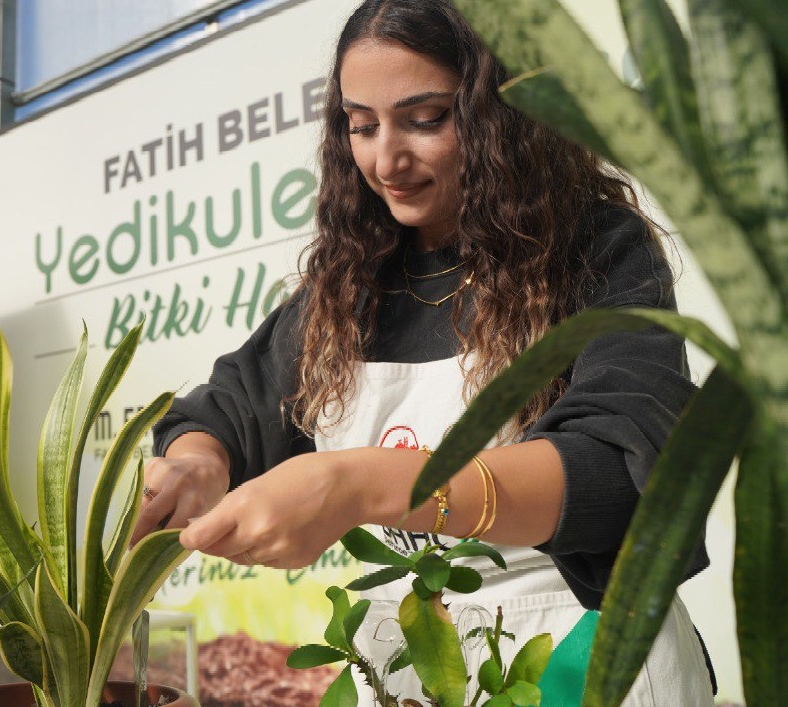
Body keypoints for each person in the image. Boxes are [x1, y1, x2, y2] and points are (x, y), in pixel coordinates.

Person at [129, 0, 716, 704]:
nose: (385, 159)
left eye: (425, 118)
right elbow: (226, 408)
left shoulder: (598, 250)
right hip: (407, 666)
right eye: (361, 125)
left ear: (499, 111)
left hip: (576, 655)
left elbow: (617, 470)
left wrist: (361, 484)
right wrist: (196, 467)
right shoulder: (349, 284)